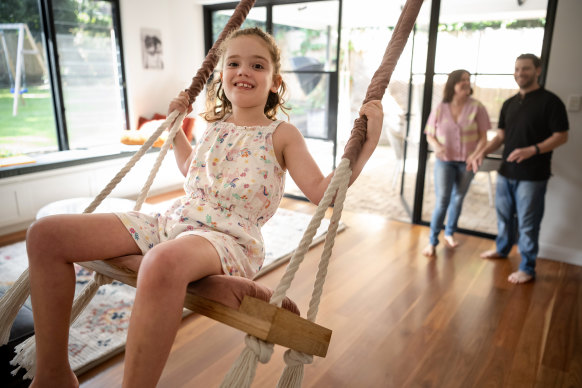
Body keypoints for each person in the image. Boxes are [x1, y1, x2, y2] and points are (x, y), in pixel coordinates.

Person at [25, 27, 383, 388]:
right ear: (222, 75)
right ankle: (53, 374)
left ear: (275, 83)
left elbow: (323, 193)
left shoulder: (282, 134)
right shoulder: (213, 126)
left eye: (257, 65)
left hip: (228, 238)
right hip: (174, 221)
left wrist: (364, 149)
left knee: (161, 262)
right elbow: (192, 170)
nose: (244, 71)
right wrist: (176, 130)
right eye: (234, 63)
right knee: (46, 235)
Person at [472, 53, 569, 284]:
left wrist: (532, 150)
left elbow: (561, 136)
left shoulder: (551, 102)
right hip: (506, 172)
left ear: (538, 70)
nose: (519, 73)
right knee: (504, 217)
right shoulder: (509, 103)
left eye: (525, 69)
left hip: (533, 176)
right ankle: (502, 249)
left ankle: (527, 267)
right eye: (516, 69)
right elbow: (501, 137)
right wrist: (481, 151)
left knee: (527, 223)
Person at [422, 69, 491, 257]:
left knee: (458, 198)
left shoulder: (477, 107)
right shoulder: (440, 107)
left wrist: (475, 154)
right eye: (462, 80)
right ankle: (432, 241)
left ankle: (450, 233)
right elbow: (429, 134)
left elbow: (484, 138)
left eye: (468, 80)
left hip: (467, 163)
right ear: (453, 84)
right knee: (443, 200)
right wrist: (437, 146)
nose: (466, 83)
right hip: (444, 161)